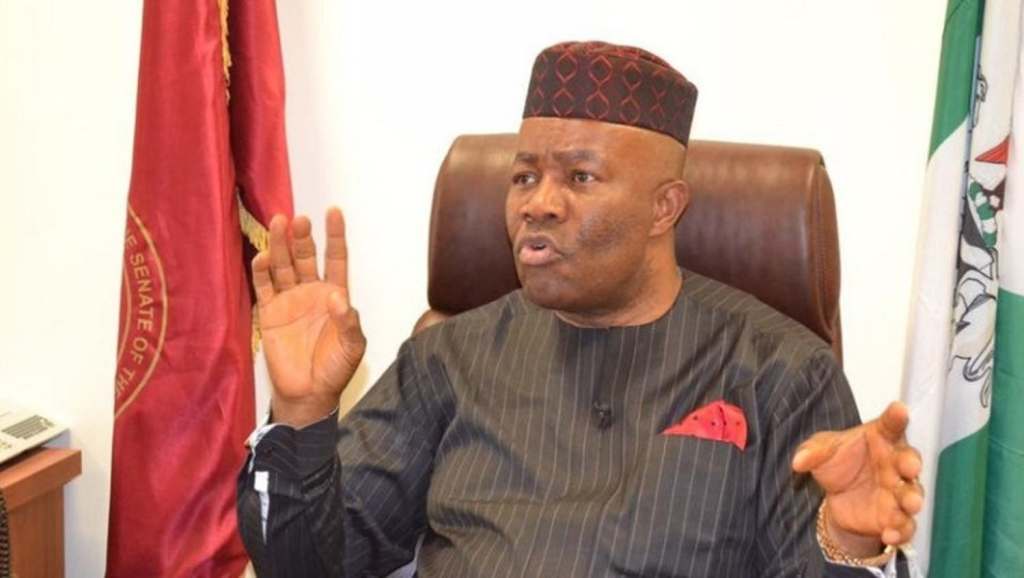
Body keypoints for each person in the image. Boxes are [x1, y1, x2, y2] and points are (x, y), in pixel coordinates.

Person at [237, 41, 923, 577]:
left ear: (664, 208)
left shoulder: (781, 372)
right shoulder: (445, 360)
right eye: (524, 176)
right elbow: (305, 567)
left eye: (580, 176)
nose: (538, 203)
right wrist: (300, 415)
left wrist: (848, 538)